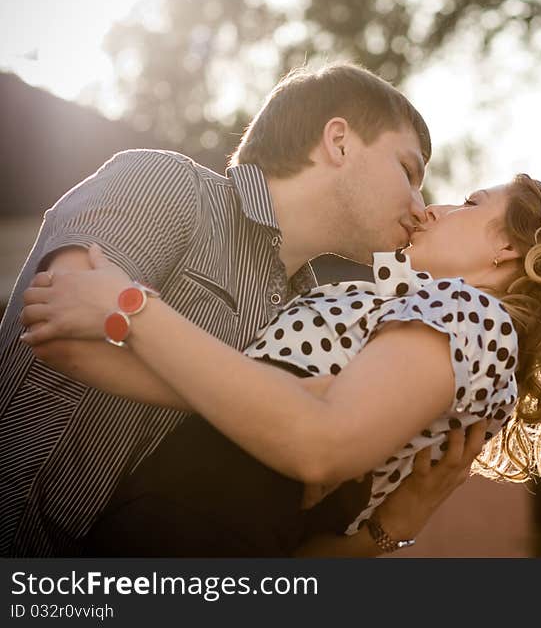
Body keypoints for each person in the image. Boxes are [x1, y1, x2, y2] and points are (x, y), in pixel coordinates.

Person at [0, 61, 480, 557]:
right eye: (408, 171)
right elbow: (57, 327)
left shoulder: (314, 315)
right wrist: (282, 403)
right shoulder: (167, 185)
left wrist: (389, 525)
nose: (422, 206)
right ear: (339, 141)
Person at [20, 173, 541, 556]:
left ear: (508, 247)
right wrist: (91, 331)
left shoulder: (469, 313)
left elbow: (318, 446)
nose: (437, 207)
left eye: (469, 202)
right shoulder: (417, 317)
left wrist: (131, 308)